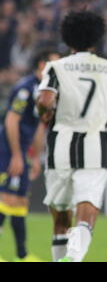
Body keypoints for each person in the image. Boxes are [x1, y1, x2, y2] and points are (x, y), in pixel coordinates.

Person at [37, 10, 107, 262]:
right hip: (94, 148)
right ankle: (75, 256)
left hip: (60, 147)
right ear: (97, 38)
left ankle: (62, 259)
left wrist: (45, 113)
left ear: (67, 38)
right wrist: (99, 118)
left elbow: (45, 101)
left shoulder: (56, 67)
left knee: (60, 218)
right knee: (86, 211)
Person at [0, 49, 60, 262]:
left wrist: (34, 157)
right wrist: (16, 155)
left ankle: (22, 255)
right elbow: (11, 121)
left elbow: (38, 127)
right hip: (8, 150)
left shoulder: (45, 91)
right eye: (54, 64)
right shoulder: (25, 88)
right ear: (42, 65)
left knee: (18, 202)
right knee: (5, 197)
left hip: (23, 151)